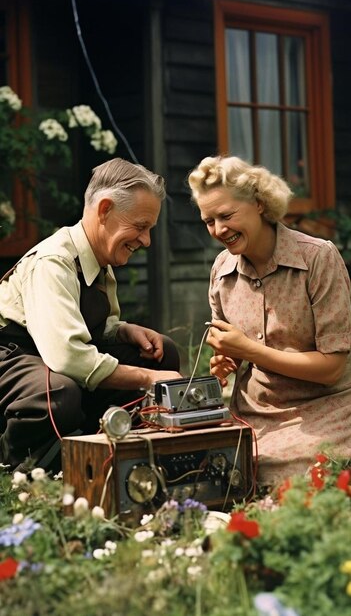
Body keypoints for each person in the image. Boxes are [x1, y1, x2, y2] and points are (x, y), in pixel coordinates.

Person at [0, 157, 182, 472]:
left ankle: (125, 452)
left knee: (161, 353)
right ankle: (18, 461)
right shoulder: (54, 261)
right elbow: (68, 357)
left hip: (50, 356)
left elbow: (93, 328)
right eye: (140, 226)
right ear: (105, 210)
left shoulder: (100, 260)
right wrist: (147, 379)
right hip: (13, 355)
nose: (147, 241)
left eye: (149, 229)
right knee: (58, 394)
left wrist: (123, 330)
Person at [188, 154, 351, 486]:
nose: (219, 230)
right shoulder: (222, 271)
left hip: (327, 408)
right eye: (208, 221)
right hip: (253, 415)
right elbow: (232, 354)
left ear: (259, 204)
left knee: (304, 470)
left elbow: (333, 367)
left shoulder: (318, 258)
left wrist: (249, 350)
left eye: (227, 215)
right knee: (203, 465)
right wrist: (225, 361)